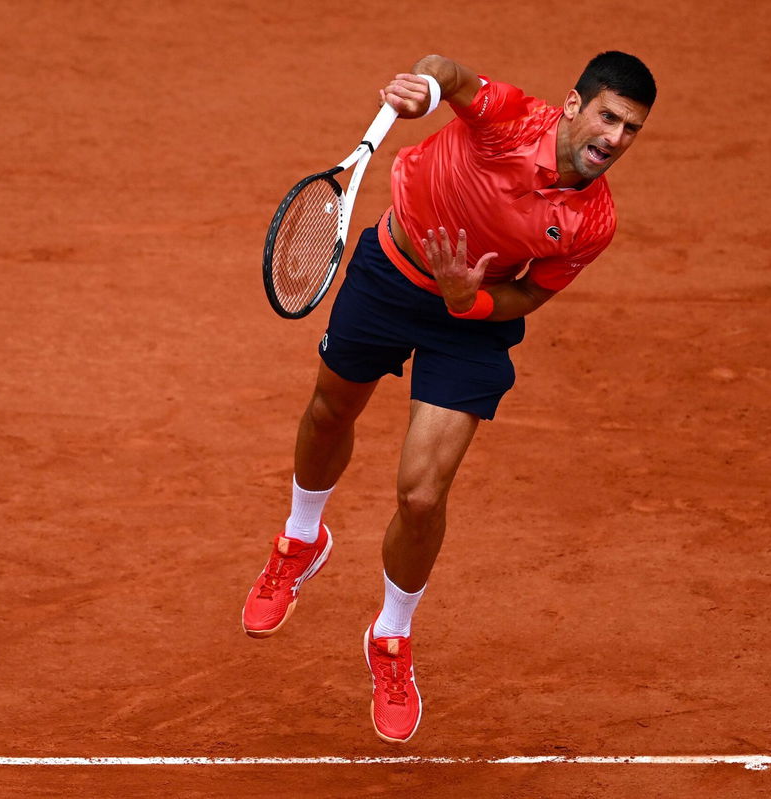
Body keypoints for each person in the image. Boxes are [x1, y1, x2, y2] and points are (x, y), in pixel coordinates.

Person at [242, 51, 656, 744]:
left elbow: (529, 294)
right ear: (575, 104)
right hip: (389, 275)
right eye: (608, 117)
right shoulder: (512, 118)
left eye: (632, 130)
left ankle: (391, 637)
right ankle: (301, 537)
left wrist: (473, 299)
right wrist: (425, 89)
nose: (614, 139)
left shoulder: (594, 221)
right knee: (330, 411)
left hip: (469, 319)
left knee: (423, 496)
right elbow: (451, 74)